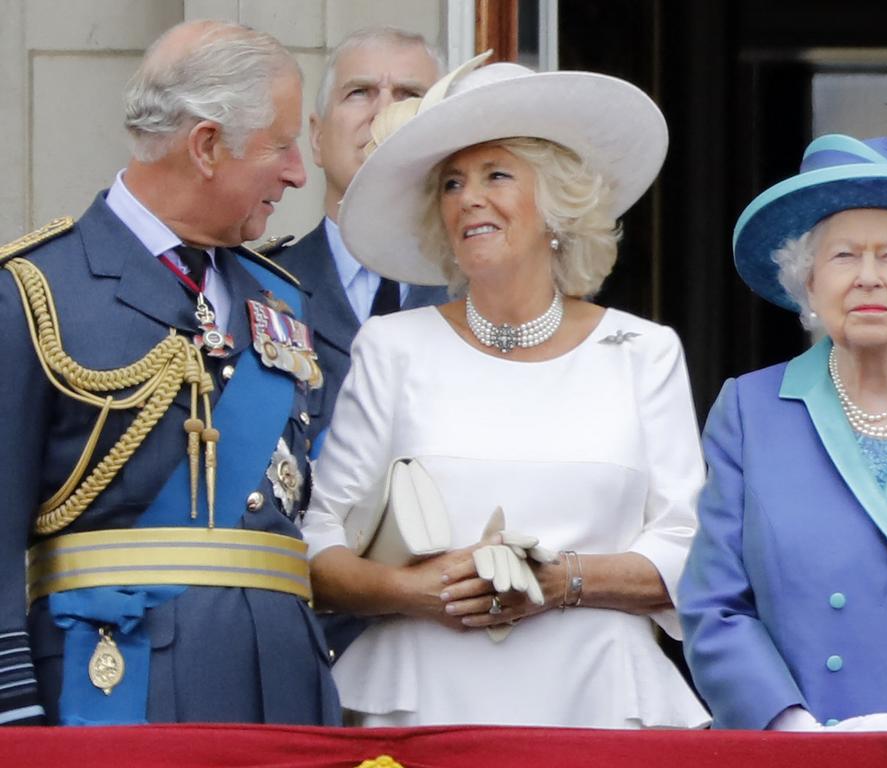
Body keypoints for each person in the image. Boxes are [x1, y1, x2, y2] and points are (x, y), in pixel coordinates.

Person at [299, 56, 711, 728]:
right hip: (422, 703)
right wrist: (409, 589)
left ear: (556, 203)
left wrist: (561, 581)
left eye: (496, 175)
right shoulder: (392, 346)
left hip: (598, 700)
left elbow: (688, 547)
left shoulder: (643, 353)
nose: (469, 198)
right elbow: (317, 539)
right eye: (452, 183)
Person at [0, 20, 340, 726]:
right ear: (208, 145)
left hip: (282, 688)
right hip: (117, 688)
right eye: (281, 146)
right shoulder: (36, 290)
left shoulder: (281, 298)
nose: (298, 174)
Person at [679, 129, 887, 730]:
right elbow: (716, 607)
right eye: (842, 256)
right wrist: (788, 726)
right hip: (794, 753)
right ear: (808, 285)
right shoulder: (750, 411)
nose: (868, 277)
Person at [273, 27, 449, 445]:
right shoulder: (260, 289)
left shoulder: (487, 290)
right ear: (316, 138)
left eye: (408, 95)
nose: (383, 112)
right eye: (360, 93)